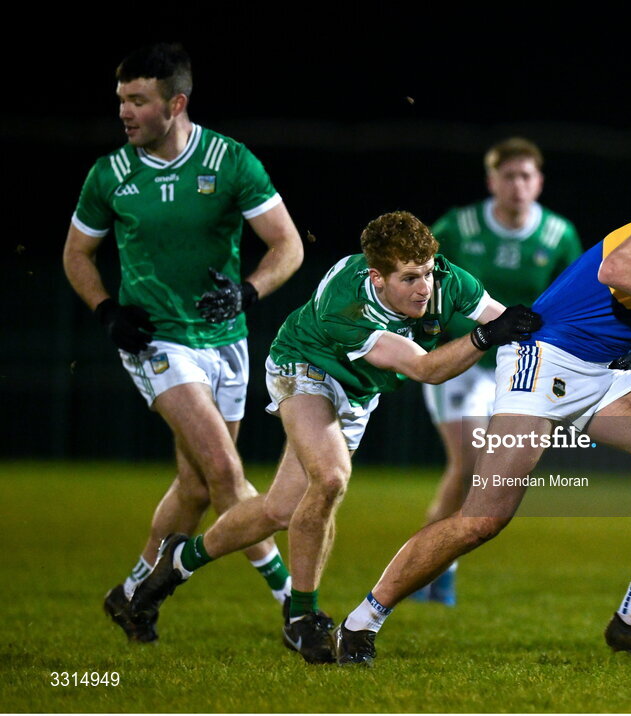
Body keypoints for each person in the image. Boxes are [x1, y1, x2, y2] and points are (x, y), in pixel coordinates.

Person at [334, 141, 631, 670]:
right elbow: (619, 269)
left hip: (604, 371)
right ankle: (361, 621)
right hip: (544, 356)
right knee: (483, 519)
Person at [128, 210, 543, 664]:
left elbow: (512, 323)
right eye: (409, 278)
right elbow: (425, 368)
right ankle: (302, 617)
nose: (424, 288)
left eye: (426, 273)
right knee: (329, 478)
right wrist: (486, 337)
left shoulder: (447, 279)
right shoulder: (346, 305)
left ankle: (179, 560)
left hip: (359, 391)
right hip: (305, 367)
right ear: (377, 278)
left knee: (280, 509)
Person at [62, 42, 304, 643]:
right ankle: (296, 605)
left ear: (176, 104)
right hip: (157, 341)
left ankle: (131, 595)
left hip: (226, 340)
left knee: (197, 485)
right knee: (225, 470)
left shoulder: (229, 161)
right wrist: (106, 310)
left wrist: (248, 292)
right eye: (121, 99)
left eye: (137, 100)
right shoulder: (110, 174)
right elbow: (77, 253)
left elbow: (288, 246)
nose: (124, 111)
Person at [414, 137, 582, 605]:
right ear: (492, 181)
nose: (517, 185)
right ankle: (431, 569)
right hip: (462, 361)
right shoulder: (459, 226)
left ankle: (434, 565)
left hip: (519, 368)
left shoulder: (558, 234)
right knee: (468, 464)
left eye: (526, 176)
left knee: (491, 476)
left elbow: (572, 297)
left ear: (539, 181)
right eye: (508, 176)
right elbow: (419, 274)